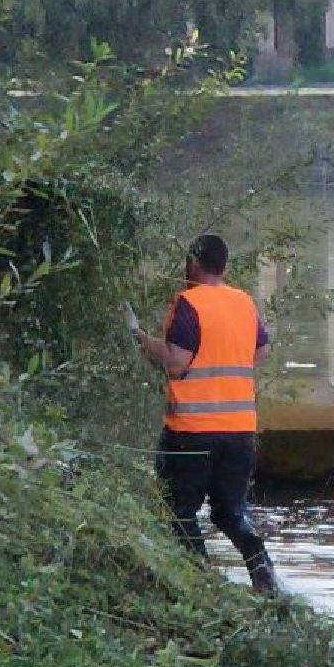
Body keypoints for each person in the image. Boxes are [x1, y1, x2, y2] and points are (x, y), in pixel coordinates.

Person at [128, 234, 278, 593]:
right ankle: (263, 574)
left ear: (194, 263)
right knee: (231, 512)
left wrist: (140, 338)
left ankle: (202, 581)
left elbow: (176, 362)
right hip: (240, 431)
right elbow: (261, 351)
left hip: (192, 431)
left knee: (177, 510)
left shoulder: (189, 302)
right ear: (223, 266)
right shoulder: (243, 302)